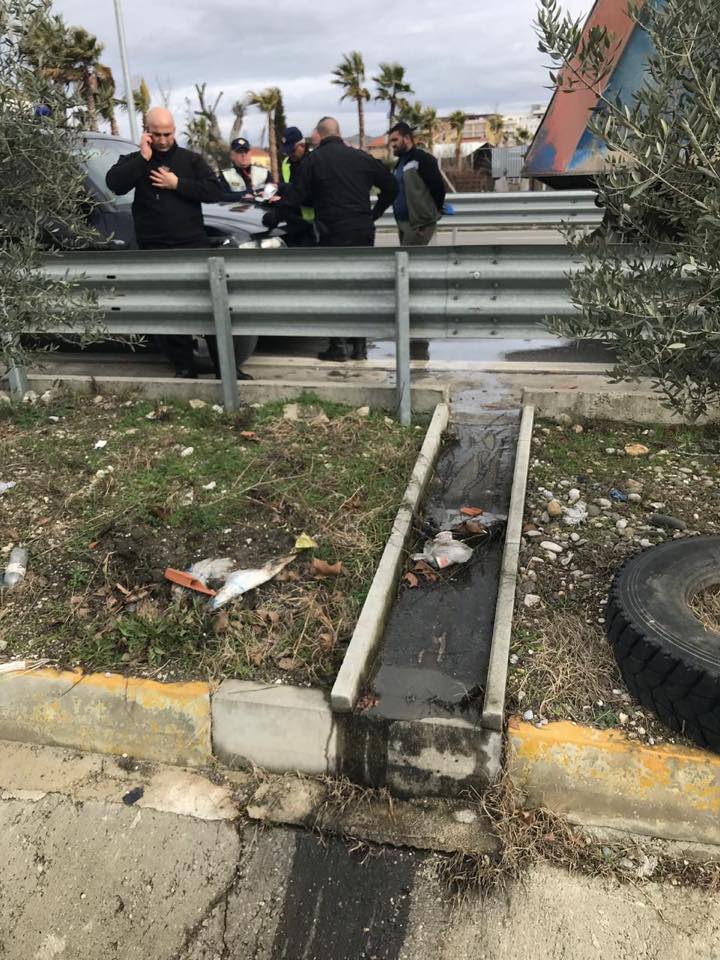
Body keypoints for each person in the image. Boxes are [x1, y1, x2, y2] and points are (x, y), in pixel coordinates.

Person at [105, 108, 252, 380]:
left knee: (210, 309)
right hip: (155, 250)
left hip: (192, 246)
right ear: (147, 132)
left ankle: (225, 368)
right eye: (157, 134)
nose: (163, 140)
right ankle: (184, 368)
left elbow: (213, 191)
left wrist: (177, 184)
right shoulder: (135, 160)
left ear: (174, 131)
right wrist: (143, 158)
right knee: (171, 310)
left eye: (168, 134)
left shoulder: (191, 160)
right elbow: (115, 184)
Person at [274, 116, 398, 361]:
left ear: (319, 135)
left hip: (331, 232)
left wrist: (273, 216)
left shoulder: (314, 160)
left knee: (334, 288)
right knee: (360, 288)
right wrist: (374, 213)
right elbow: (392, 187)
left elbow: (297, 196)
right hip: (362, 231)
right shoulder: (361, 157)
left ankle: (338, 346)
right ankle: (360, 347)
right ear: (338, 132)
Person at [388, 121, 446, 246]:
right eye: (391, 141)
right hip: (403, 223)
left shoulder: (422, 159)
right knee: (406, 256)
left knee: (410, 257)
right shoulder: (400, 163)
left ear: (407, 138)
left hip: (419, 225)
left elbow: (438, 188)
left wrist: (432, 214)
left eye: (395, 140)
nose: (392, 144)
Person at [276, 126, 315, 247]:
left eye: (292, 150)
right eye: (287, 151)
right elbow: (286, 186)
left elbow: (306, 192)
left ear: (302, 146)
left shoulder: (312, 161)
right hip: (291, 220)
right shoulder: (286, 163)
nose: (289, 154)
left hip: (312, 223)